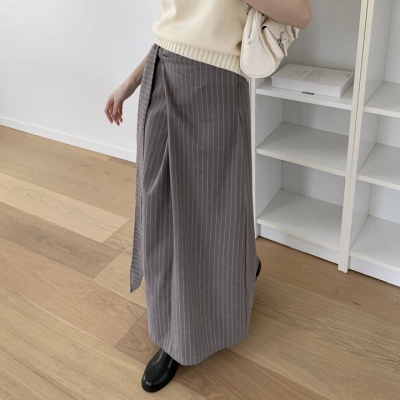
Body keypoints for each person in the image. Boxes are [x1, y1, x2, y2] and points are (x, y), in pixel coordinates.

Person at [104, 0, 312, 393]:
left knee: (217, 210)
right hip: (161, 73)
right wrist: (130, 83)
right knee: (161, 210)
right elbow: (176, 27)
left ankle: (188, 330)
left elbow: (301, 14)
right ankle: (172, 329)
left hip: (216, 84)